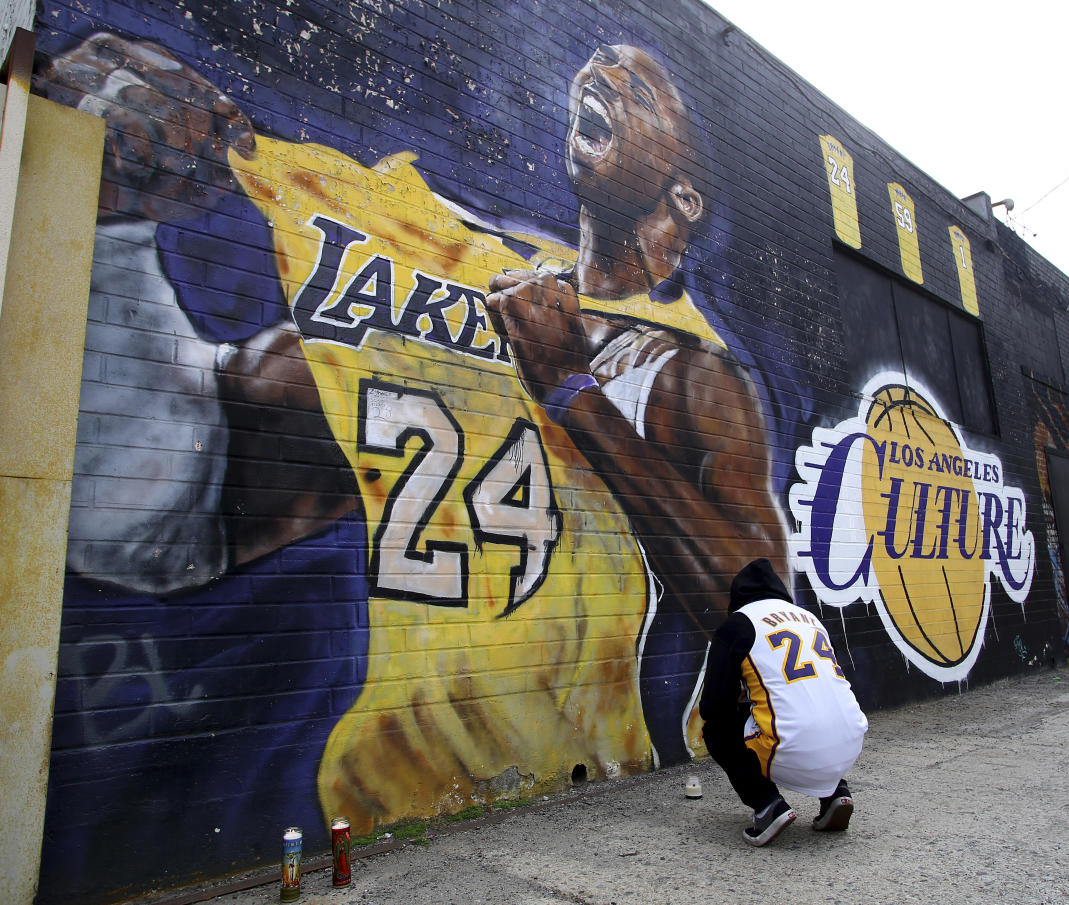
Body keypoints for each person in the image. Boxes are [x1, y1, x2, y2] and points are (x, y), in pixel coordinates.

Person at [39, 34, 788, 832]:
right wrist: (112, 214)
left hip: (595, 806)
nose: (604, 73)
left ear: (683, 199)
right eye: (601, 62)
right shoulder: (467, 274)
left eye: (641, 92)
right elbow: (152, 512)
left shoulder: (689, 372)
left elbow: (769, 620)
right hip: (372, 808)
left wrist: (572, 391)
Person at [700, 558, 868, 846]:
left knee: (717, 728)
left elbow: (713, 706)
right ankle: (836, 793)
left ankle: (767, 806)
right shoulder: (811, 619)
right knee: (811, 707)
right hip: (851, 739)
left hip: (792, 748)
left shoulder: (738, 624)